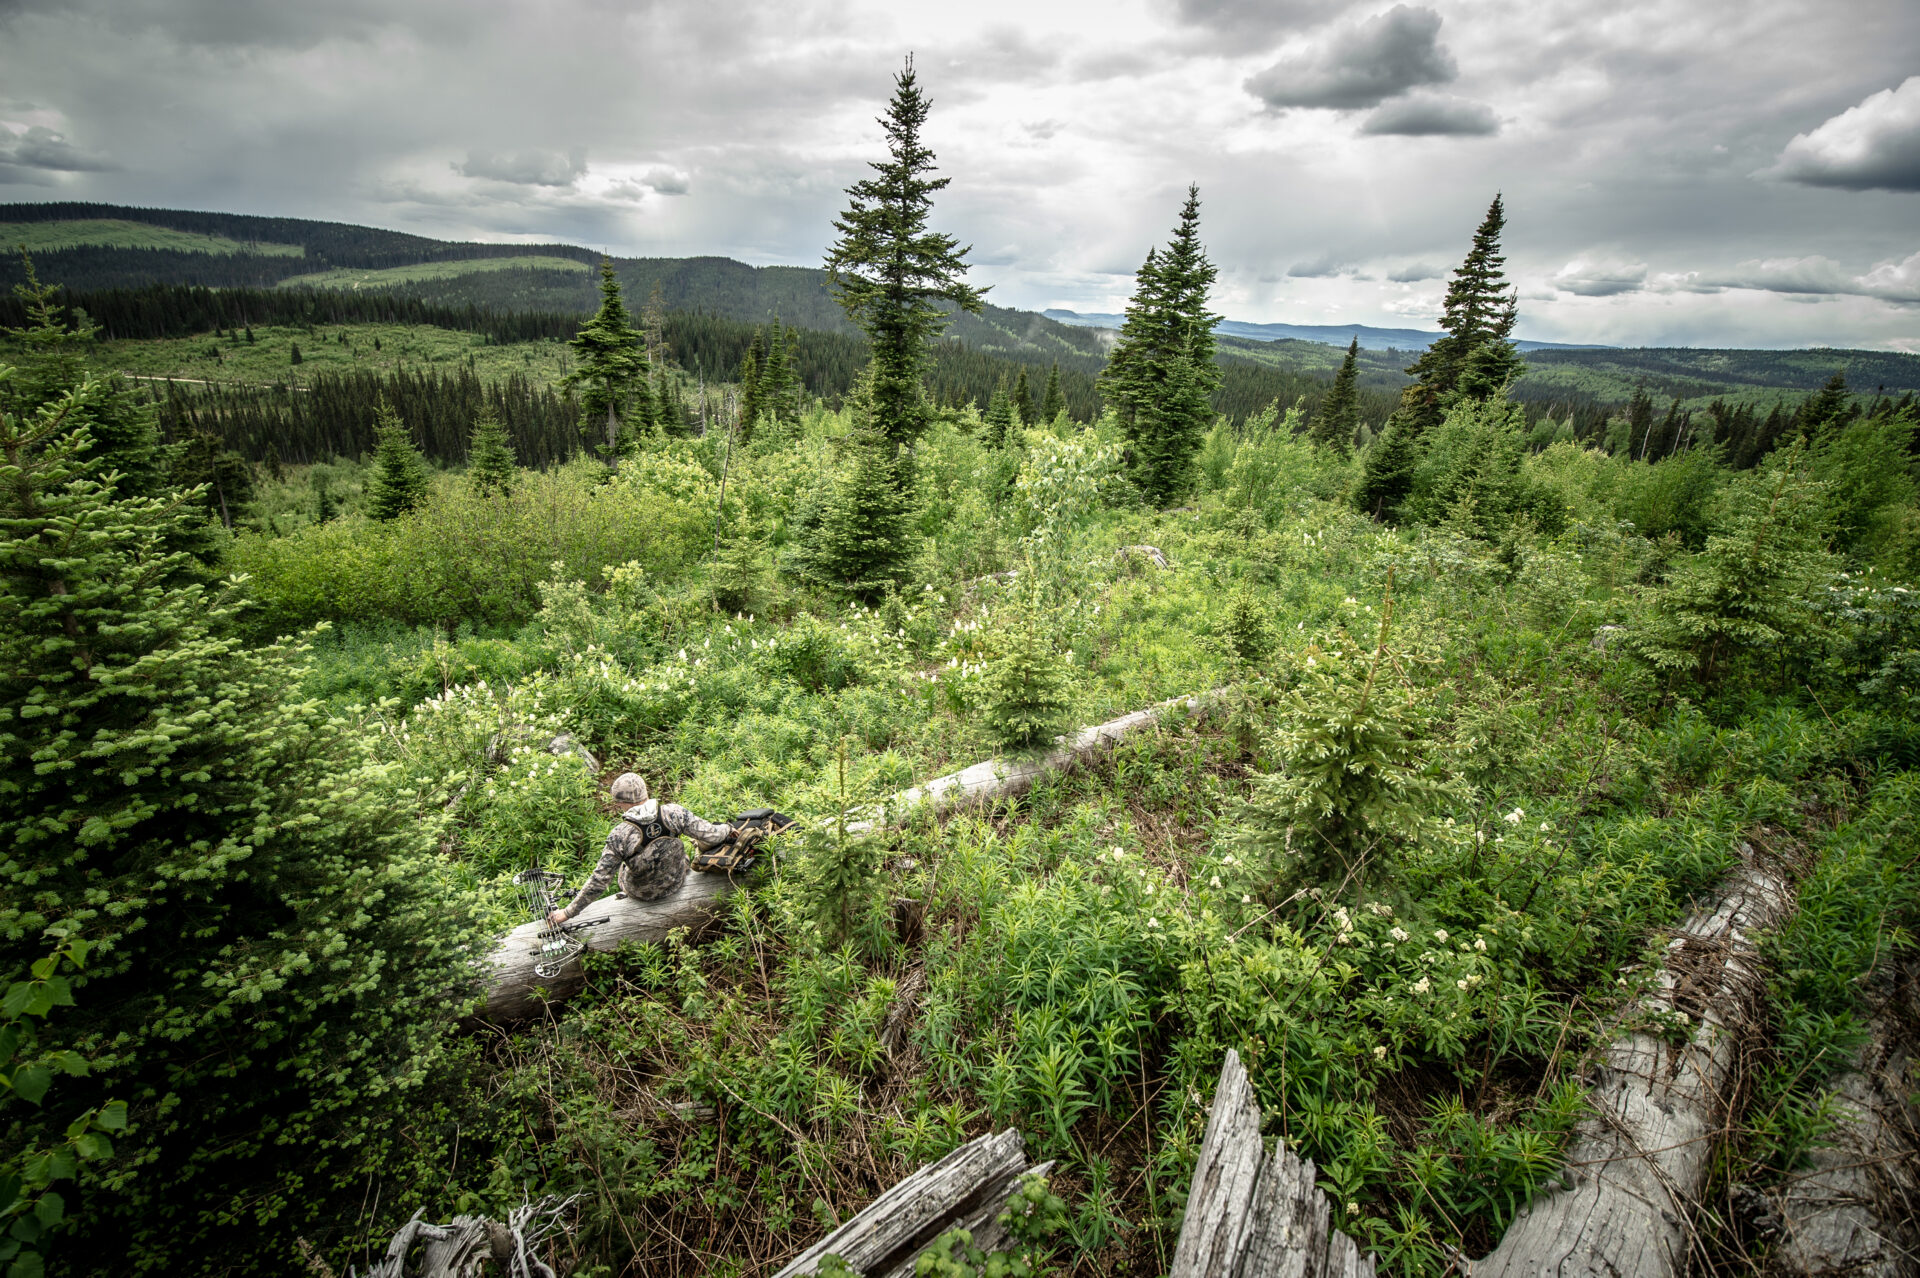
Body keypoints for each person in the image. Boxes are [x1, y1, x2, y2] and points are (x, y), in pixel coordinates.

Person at [546, 772, 764, 925]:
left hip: (642, 893)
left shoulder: (620, 835)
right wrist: (728, 829)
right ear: (645, 792)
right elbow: (710, 834)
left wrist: (567, 913)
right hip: (677, 880)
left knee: (623, 870)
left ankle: (624, 891)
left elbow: (599, 881)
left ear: (619, 804)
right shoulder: (674, 813)